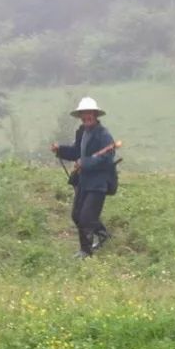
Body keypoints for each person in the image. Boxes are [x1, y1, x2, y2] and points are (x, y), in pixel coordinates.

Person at [51, 96, 117, 258]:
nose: (86, 117)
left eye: (90, 114)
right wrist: (60, 150)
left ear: (95, 116)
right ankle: (102, 234)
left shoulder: (104, 135)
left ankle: (86, 251)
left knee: (86, 217)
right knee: (77, 215)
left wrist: (85, 163)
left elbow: (107, 157)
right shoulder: (82, 133)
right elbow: (76, 152)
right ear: (81, 116)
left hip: (98, 183)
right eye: (84, 114)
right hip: (84, 181)